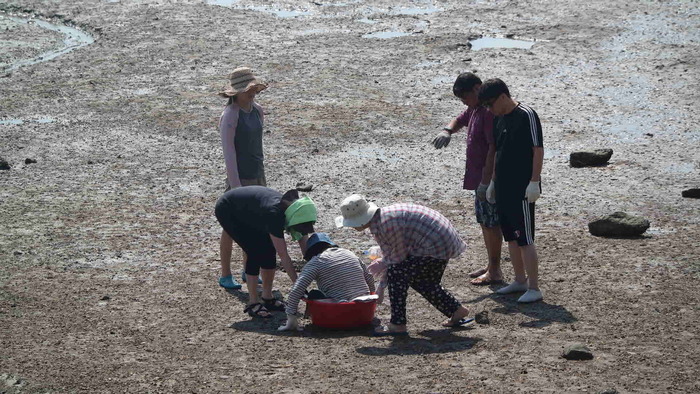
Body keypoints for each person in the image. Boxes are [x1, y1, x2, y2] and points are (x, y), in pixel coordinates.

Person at [335, 194, 472, 336]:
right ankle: (457, 310)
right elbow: (392, 254)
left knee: (398, 274)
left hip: (436, 245)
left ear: (360, 222)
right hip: (439, 241)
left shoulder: (386, 225)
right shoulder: (381, 220)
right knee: (423, 281)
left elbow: (397, 259)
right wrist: (381, 284)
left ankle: (397, 324)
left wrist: (382, 269)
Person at [432, 72, 503, 286]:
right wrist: (448, 130)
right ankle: (492, 265)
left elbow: (493, 148)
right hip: (479, 179)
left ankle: (495, 270)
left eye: (465, 97)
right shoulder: (475, 108)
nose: (464, 102)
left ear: (477, 88)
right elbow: (460, 119)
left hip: (489, 179)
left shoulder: (489, 112)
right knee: (484, 222)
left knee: (491, 224)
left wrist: (486, 181)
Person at [479, 78, 544, 303]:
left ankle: (534, 287)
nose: (489, 109)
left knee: (525, 237)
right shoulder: (499, 120)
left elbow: (538, 149)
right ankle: (519, 280)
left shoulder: (527, 114)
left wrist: (534, 181)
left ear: (503, 97)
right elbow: (498, 152)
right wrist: (494, 182)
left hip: (523, 188)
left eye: (490, 103)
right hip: (504, 186)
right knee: (511, 236)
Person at [214, 186, 317, 317]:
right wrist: (300, 288)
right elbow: (284, 256)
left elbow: (305, 245)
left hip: (254, 212)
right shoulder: (274, 214)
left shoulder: (297, 212)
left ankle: (267, 297)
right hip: (229, 209)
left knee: (269, 250)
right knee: (254, 250)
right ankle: (253, 302)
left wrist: (316, 265)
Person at [217, 67, 268, 290]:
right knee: (231, 226)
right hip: (238, 177)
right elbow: (229, 153)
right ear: (235, 93)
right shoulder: (230, 115)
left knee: (256, 224)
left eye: (253, 89)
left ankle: (249, 271)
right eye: (248, 90)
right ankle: (225, 274)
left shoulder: (258, 110)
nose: (252, 93)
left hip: (257, 174)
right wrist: (236, 187)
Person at [278, 233, 376, 331]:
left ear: (311, 252)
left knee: (313, 294)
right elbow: (369, 278)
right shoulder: (349, 254)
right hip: (364, 311)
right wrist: (372, 299)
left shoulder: (316, 261)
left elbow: (297, 289)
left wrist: (291, 317)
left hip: (339, 314)